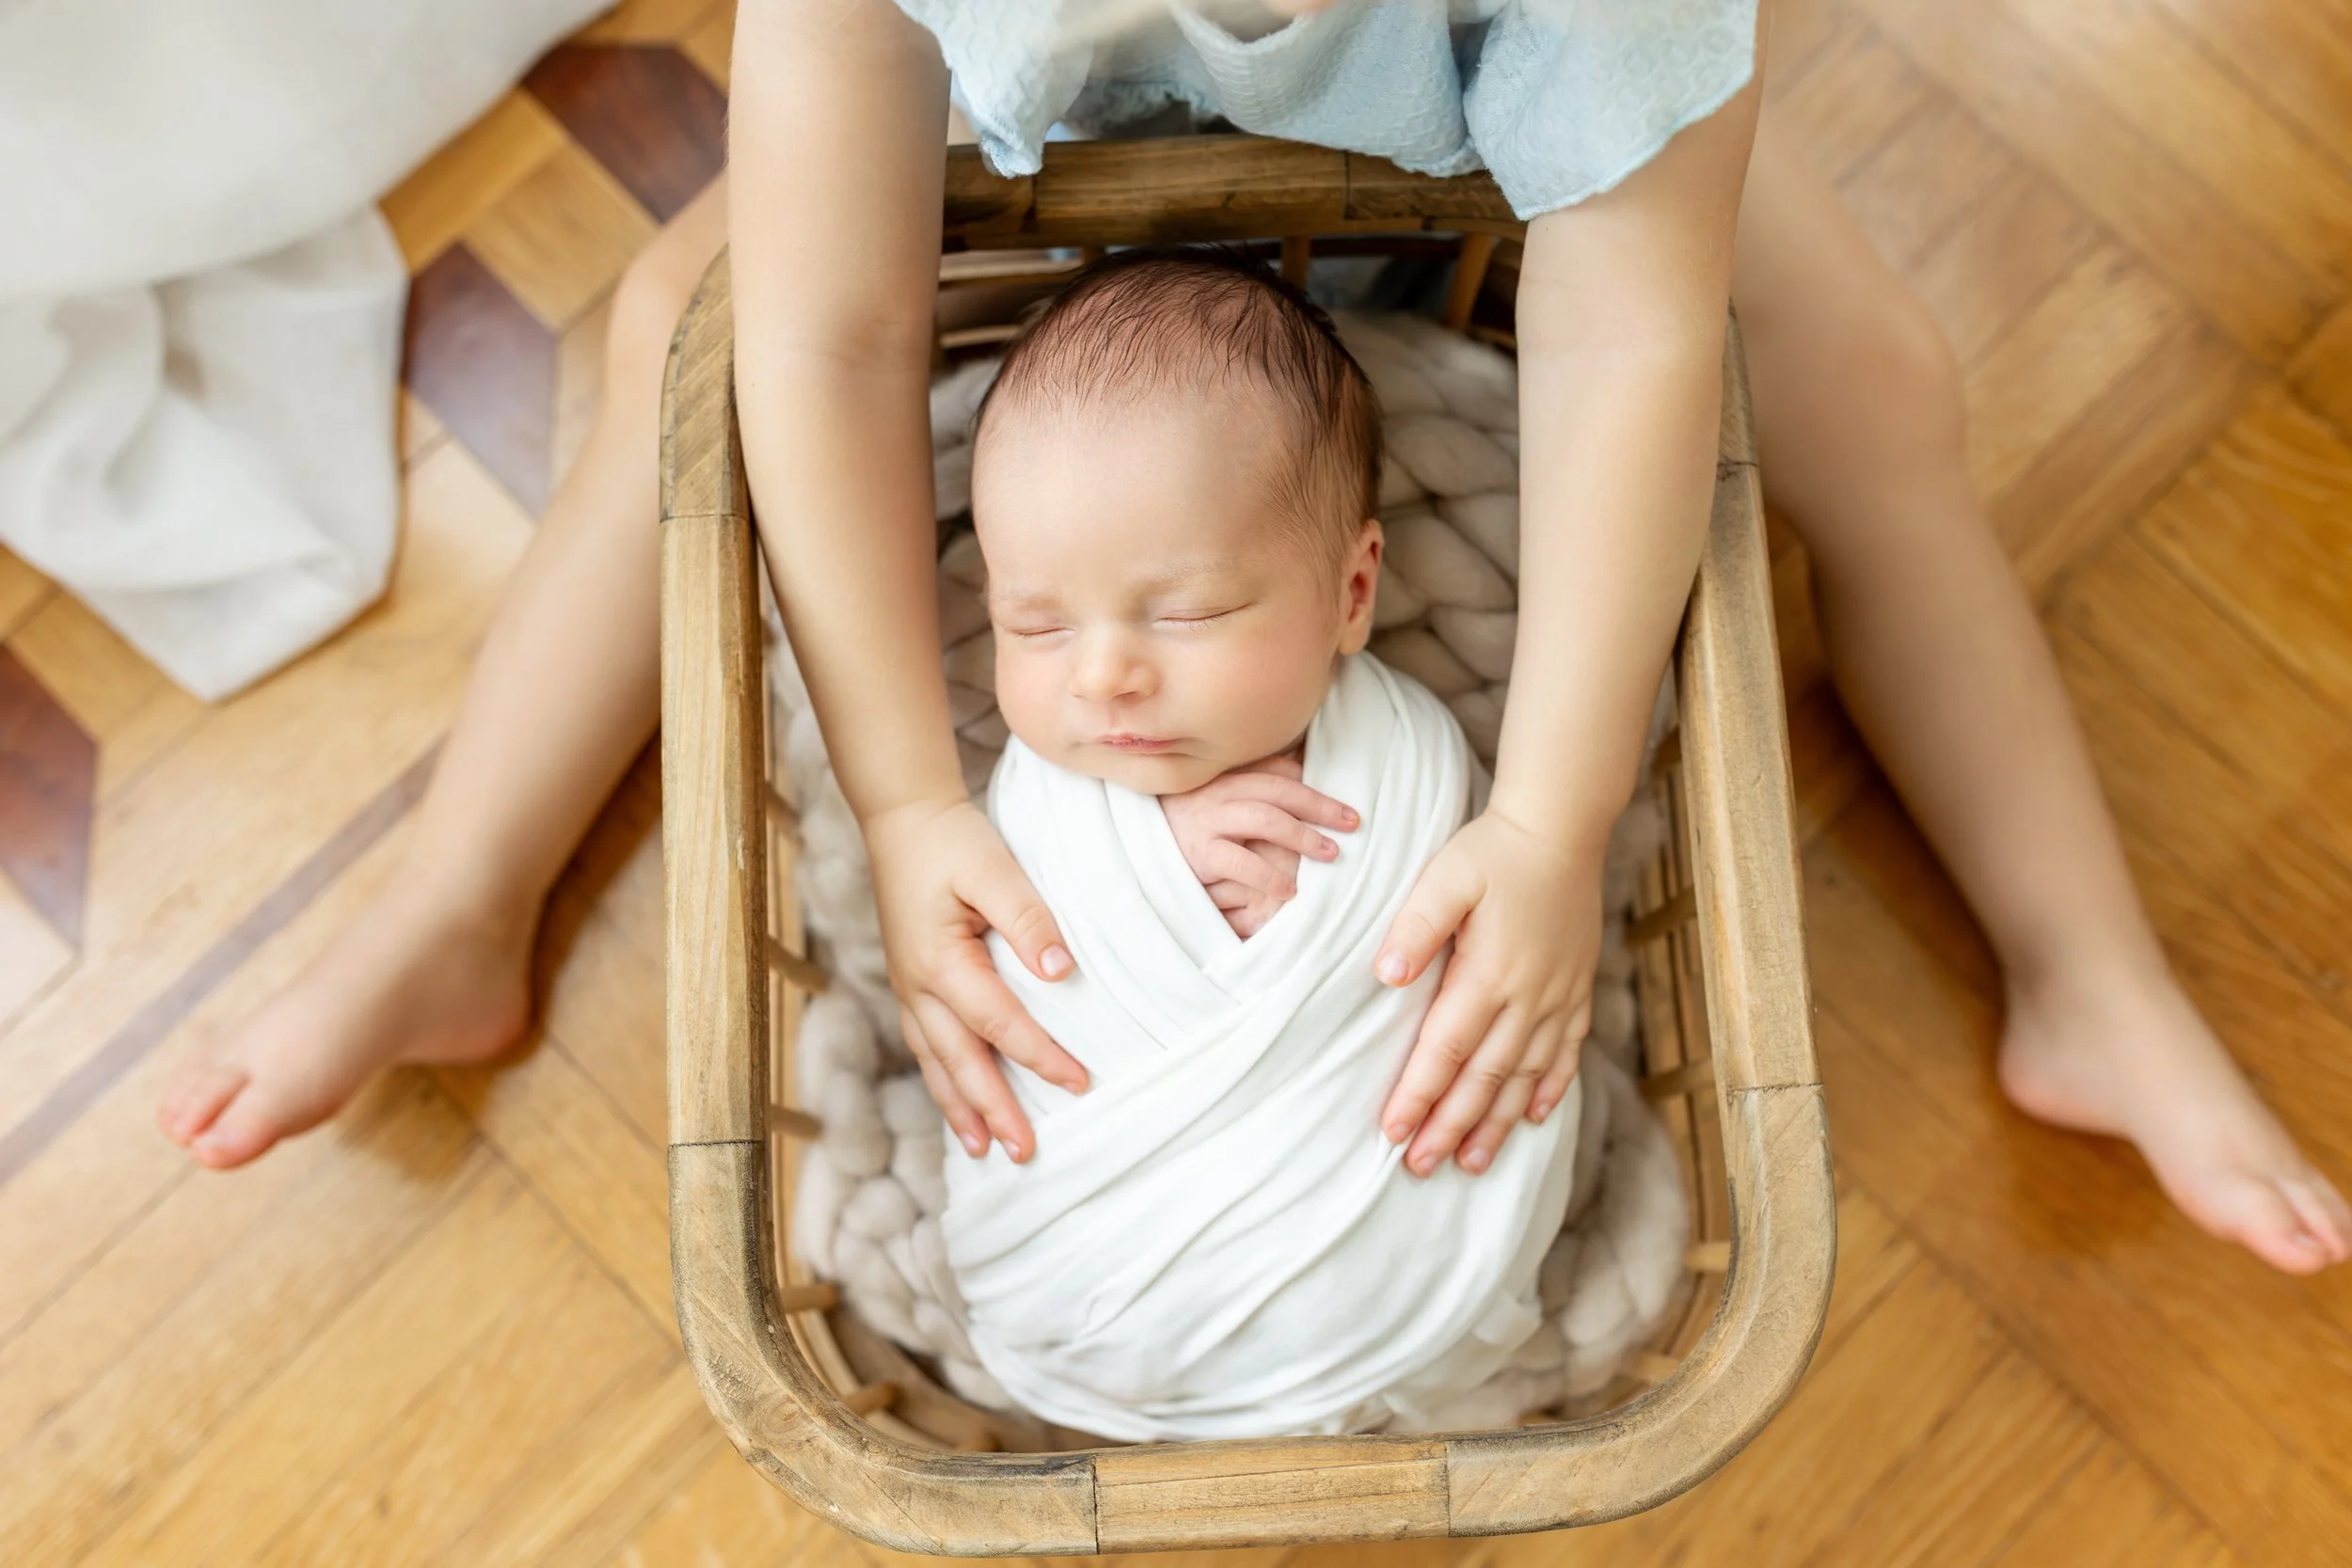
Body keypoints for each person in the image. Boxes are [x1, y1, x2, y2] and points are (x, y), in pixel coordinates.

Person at [159, 0, 2352, 1275]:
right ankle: (461, 889)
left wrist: (1554, 805)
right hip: (1024, 173)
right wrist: (916, 794)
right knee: (676, 335)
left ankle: (2084, 964)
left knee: (1869, 381)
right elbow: (827, 332)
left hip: (1517, 174)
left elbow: (1623, 328)